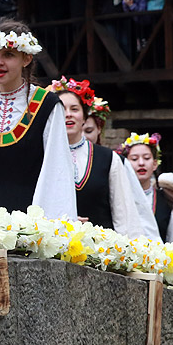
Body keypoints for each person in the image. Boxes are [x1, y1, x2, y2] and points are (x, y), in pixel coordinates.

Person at [0, 19, 76, 218]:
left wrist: (48, 228)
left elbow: (57, 172)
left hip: (29, 223)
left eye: (8, 55)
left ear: (26, 59)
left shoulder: (47, 105)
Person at [48, 78, 142, 236]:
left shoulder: (108, 158)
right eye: (62, 109)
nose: (68, 114)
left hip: (101, 253)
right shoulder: (44, 158)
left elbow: (124, 214)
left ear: (84, 117)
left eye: (75, 109)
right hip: (55, 250)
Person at [120, 133, 173, 247]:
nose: (141, 163)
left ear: (154, 164)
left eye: (146, 158)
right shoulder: (118, 198)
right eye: (134, 159)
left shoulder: (166, 199)